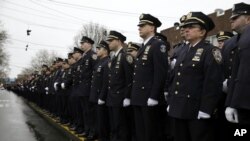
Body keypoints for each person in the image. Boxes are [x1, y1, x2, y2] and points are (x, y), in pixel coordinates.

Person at [167, 12, 223, 141]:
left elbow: (213, 83)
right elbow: (175, 78)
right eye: (185, 26)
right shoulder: (183, 51)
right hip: (178, 108)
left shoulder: (211, 51)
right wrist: (171, 101)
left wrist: (206, 109)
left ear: (202, 31)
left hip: (196, 111)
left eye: (191, 26)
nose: (186, 29)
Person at [131, 13, 169, 141]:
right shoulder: (144, 46)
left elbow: (160, 73)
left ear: (152, 28)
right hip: (139, 97)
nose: (139, 28)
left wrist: (153, 96)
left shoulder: (158, 44)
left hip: (149, 98)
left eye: (143, 25)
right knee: (141, 132)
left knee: (151, 133)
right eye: (139, 26)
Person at [104, 30, 134, 141]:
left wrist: (127, 97)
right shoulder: (113, 58)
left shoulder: (126, 57)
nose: (109, 43)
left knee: (121, 127)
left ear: (119, 41)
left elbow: (130, 79)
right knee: (114, 126)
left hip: (120, 99)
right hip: (112, 98)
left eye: (111, 40)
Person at [225, 2, 250, 126]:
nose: (231, 20)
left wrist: (233, 104)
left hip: (245, 104)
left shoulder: (247, 39)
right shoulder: (242, 38)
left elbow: (244, 75)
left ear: (248, 19)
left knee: (240, 133)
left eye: (235, 18)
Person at [89, 40, 110, 141]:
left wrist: (102, 97)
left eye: (99, 49)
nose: (97, 50)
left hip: (101, 97)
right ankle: (97, 134)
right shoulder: (99, 63)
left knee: (102, 120)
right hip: (95, 96)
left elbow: (106, 82)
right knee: (96, 118)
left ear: (105, 50)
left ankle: (103, 137)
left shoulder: (107, 62)